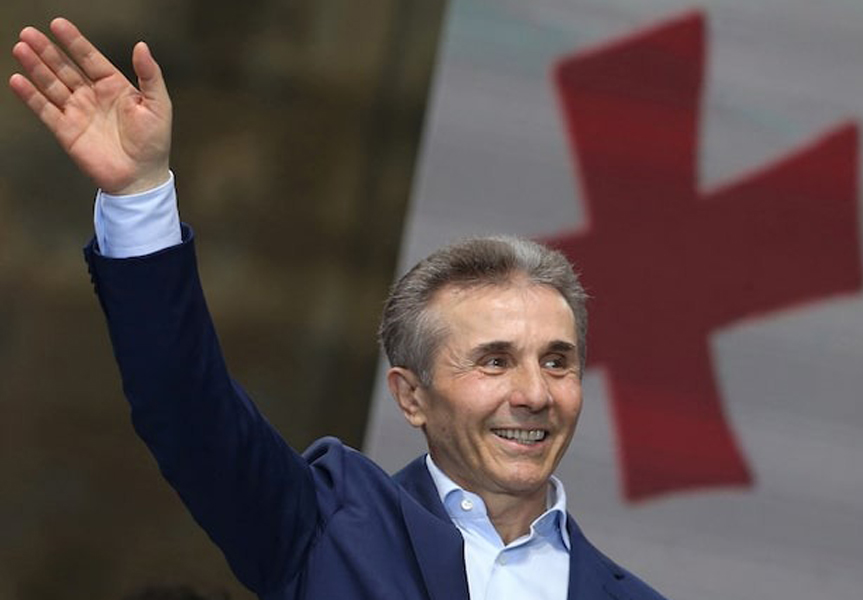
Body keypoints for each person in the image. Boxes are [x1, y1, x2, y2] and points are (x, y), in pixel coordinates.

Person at [9, 18, 668, 600]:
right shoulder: (328, 524)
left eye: (557, 362)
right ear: (411, 396)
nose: (535, 394)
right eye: (495, 361)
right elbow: (185, 406)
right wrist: (139, 194)